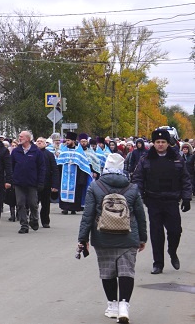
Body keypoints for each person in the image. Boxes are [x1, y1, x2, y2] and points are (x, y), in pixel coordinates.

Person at [77, 153, 147, 324]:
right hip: (128, 235)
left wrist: (83, 238)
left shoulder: (95, 186)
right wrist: (142, 238)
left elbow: (88, 215)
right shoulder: (132, 188)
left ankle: (112, 306)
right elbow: (140, 215)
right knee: (126, 270)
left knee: (107, 270)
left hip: (103, 236)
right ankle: (124, 305)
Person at [130, 128, 192, 274]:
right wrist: (139, 197)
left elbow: (185, 179)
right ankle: (158, 263)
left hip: (171, 200)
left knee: (175, 231)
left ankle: (172, 251)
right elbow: (138, 179)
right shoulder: (146, 159)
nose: (160, 145)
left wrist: (187, 198)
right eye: (157, 142)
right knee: (156, 233)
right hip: (153, 200)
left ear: (168, 143)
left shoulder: (176, 158)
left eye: (163, 142)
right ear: (153, 143)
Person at [10, 131, 45, 234]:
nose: (19, 138)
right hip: (19, 183)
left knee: (33, 204)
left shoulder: (36, 152)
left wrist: (40, 182)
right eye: (19, 137)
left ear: (28, 139)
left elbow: (42, 168)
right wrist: (11, 180)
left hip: (32, 183)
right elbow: (11, 167)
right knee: (20, 204)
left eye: (21, 137)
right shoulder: (16, 151)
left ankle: (34, 219)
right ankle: (24, 225)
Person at [57, 131, 95, 216]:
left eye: (69, 140)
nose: (67, 142)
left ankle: (73, 208)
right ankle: (65, 208)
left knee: (76, 192)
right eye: (66, 140)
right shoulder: (63, 150)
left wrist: (82, 178)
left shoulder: (79, 151)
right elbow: (59, 164)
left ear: (73, 141)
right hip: (64, 175)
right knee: (63, 189)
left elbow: (84, 165)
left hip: (76, 176)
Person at [35, 136, 60, 228]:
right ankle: (33, 220)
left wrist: (55, 185)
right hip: (34, 183)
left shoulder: (49, 154)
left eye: (41, 141)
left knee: (45, 204)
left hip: (46, 183)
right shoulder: (32, 153)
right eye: (37, 141)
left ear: (45, 144)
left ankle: (45, 221)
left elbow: (54, 170)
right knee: (33, 203)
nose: (39, 142)